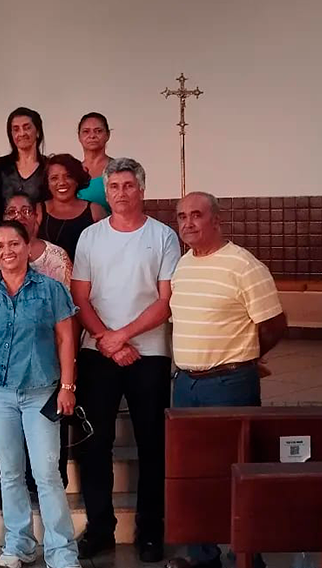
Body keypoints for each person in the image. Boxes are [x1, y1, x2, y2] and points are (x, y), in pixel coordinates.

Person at [165, 192, 287, 568]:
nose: (188, 222)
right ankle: (203, 556)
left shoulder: (243, 265)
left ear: (217, 220)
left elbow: (274, 325)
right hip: (186, 384)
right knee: (194, 474)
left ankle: (246, 555)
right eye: (182, 215)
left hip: (229, 384)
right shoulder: (183, 265)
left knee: (238, 472)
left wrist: (246, 356)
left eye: (197, 215)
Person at [0, 220, 80, 568]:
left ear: (27, 247)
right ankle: (18, 545)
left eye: (14, 244)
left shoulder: (51, 289)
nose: (7, 251)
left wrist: (67, 387)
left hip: (42, 391)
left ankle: (62, 552)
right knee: (9, 472)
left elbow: (66, 339)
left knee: (46, 473)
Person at [71, 157, 181, 563]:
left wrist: (122, 336)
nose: (121, 193)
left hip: (148, 352)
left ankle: (151, 531)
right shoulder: (91, 237)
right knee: (93, 444)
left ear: (142, 189)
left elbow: (165, 301)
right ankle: (100, 529)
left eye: (128, 185)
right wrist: (106, 339)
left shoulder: (164, 236)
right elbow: (80, 297)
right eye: (114, 186)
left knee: (153, 444)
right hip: (98, 351)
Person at [0, 193, 73, 512]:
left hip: (42, 367)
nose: (20, 215)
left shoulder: (55, 261)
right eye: (12, 210)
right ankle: (1, 494)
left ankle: (55, 535)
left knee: (46, 465)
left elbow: (66, 325)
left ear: (38, 215)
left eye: (27, 210)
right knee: (3, 453)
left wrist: (68, 380)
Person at [0, 107, 49, 235]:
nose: (22, 133)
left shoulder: (48, 167)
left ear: (38, 132)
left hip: (40, 238)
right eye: (16, 129)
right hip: (5, 241)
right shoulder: (0, 165)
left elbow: (50, 209)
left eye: (27, 127)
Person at [39, 153, 108, 261]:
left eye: (68, 176)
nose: (61, 182)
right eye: (54, 178)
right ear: (47, 183)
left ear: (77, 180)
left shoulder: (95, 211)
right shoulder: (37, 211)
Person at [75, 112, 113, 212]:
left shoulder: (117, 169)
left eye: (98, 131)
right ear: (79, 136)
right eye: (86, 131)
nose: (92, 136)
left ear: (107, 135)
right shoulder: (73, 171)